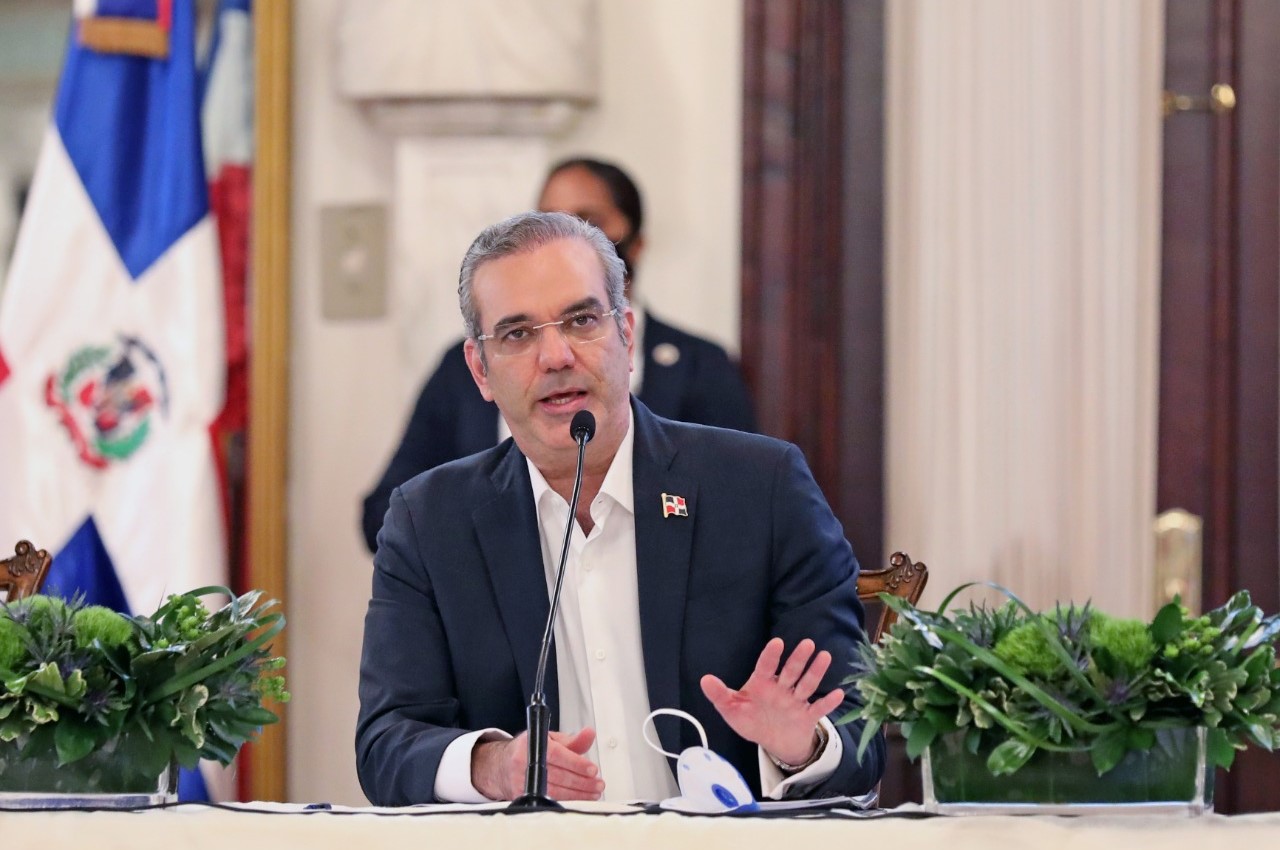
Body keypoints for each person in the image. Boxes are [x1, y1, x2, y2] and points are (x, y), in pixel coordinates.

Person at [355, 211, 884, 805]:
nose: (556, 356)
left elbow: (859, 732)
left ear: (626, 335)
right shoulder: (429, 523)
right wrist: (492, 765)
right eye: (518, 334)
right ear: (481, 370)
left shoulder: (762, 490)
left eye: (581, 321)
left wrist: (802, 745)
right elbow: (385, 743)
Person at [360, 157, 756, 553]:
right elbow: (388, 514)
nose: (556, 358)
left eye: (588, 221)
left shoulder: (701, 366)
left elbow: (738, 505)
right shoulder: (463, 368)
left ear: (635, 244)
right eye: (548, 220)